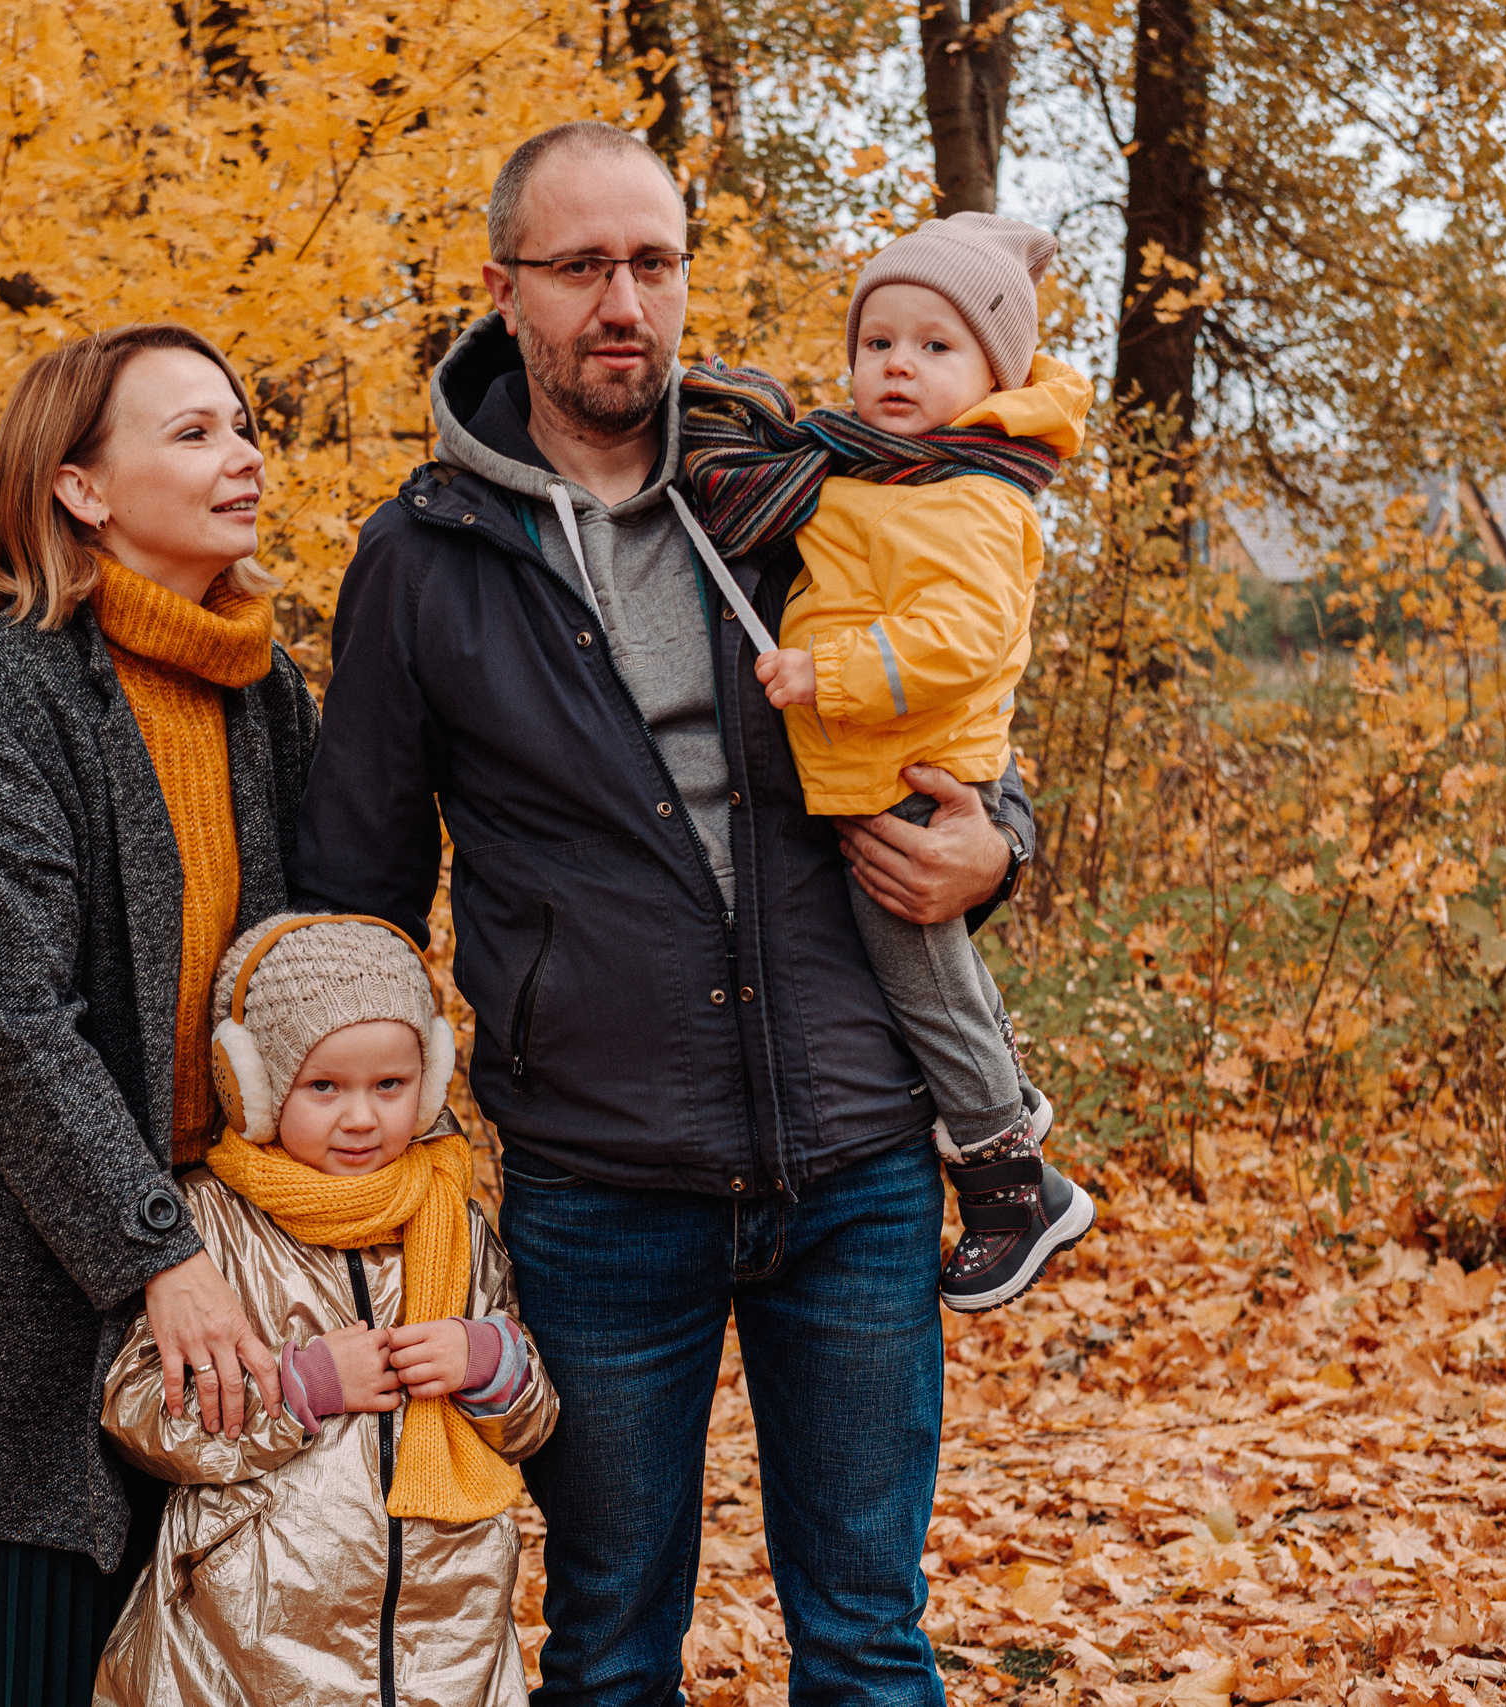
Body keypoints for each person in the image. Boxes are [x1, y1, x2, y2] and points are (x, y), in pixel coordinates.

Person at [293, 120, 1037, 1707]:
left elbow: (964, 709)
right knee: (610, 1645)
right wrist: (359, 1156)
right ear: (506, 292)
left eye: (653, 262)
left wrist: (1001, 849)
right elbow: (353, 895)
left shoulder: (795, 485)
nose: (624, 300)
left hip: (860, 1158)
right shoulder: (424, 560)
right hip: (597, 1181)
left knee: (869, 1637)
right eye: (581, 268)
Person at [0, 322, 312, 1704]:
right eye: (194, 432)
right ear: (82, 488)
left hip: (228, 1281)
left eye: (242, 424)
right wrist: (153, 1255)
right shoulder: (7, 697)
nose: (243, 456)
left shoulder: (262, 690)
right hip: (24, 1315)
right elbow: (11, 1021)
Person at [679, 212, 1097, 1312]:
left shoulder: (972, 497)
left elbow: (961, 641)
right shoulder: (878, 474)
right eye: (878, 343)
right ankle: (1004, 1102)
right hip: (871, 769)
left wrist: (831, 673)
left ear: (991, 371)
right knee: (925, 975)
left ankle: (1012, 1178)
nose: (898, 365)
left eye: (935, 346)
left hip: (911, 776)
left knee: (921, 977)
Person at [94, 911, 559, 1707]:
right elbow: (139, 1413)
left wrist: (486, 1360)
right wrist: (303, 1386)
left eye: (389, 1085)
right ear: (257, 1085)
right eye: (324, 1086)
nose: (360, 1116)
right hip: (247, 1649)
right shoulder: (212, 1227)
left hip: (446, 1647)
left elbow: (530, 1424)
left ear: (430, 1075)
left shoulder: (451, 1216)